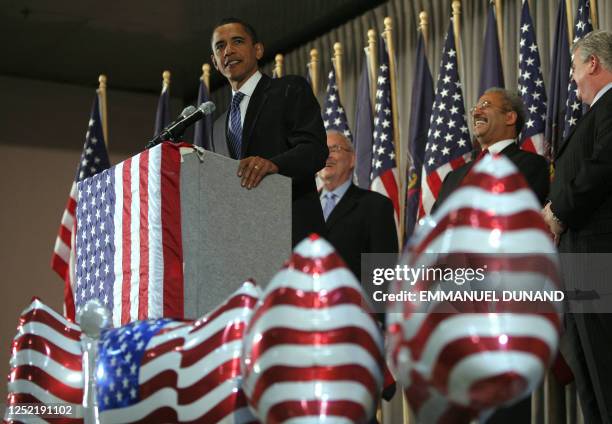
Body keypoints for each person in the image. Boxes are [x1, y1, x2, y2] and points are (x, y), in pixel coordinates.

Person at [542, 30, 612, 424]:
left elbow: (604, 165)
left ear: (593, 63)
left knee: (605, 372)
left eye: (574, 67)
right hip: (582, 261)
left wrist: (557, 210)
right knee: (589, 376)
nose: (571, 78)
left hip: (599, 259)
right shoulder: (597, 113)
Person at [210, 18, 328, 246]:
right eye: (220, 46)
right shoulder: (217, 125)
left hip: (292, 236)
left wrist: (274, 165)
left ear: (258, 50)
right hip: (243, 245)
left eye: (237, 41)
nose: (228, 51)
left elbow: (314, 150)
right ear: (214, 62)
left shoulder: (288, 89)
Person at [432, 88, 549, 213]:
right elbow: (436, 222)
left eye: (485, 105)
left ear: (509, 118)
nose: (475, 113)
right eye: (474, 109)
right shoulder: (453, 176)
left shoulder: (531, 165)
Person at [318, 130, 397, 281]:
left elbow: (383, 273)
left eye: (335, 149)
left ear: (352, 160)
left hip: (353, 302)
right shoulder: (299, 206)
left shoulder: (376, 206)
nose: (326, 155)